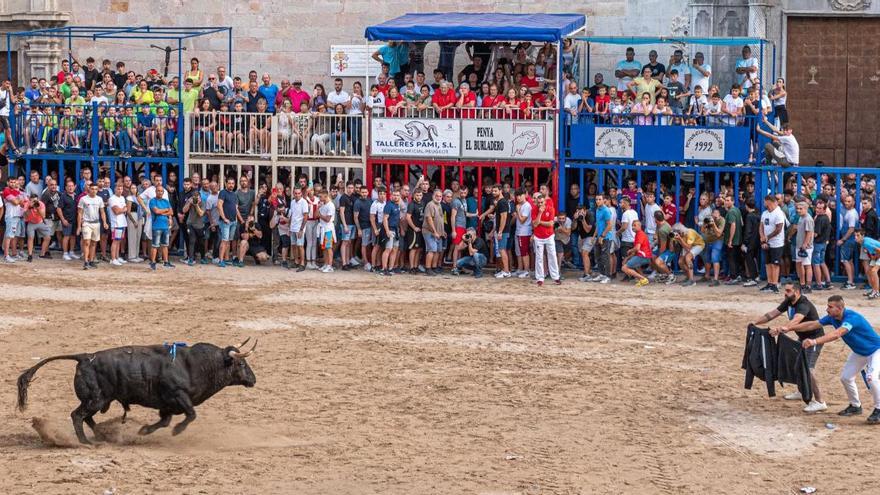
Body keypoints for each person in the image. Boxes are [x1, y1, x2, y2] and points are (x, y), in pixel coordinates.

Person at [781, 295, 880, 424]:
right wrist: (789, 328)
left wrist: (814, 341)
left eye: (830, 307)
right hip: (860, 352)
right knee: (846, 378)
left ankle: (879, 409)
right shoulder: (832, 317)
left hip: (876, 351)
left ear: (840, 308)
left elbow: (837, 334)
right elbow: (812, 324)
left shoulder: (852, 318)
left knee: (871, 378)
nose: (827, 309)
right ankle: (855, 406)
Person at [750, 282, 827, 412]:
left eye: (788, 291)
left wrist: (782, 329)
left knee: (808, 369)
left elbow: (797, 319)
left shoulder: (803, 304)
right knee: (798, 365)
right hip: (802, 339)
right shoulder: (789, 302)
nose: (785, 293)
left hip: (814, 339)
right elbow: (772, 314)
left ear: (796, 292)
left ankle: (820, 402)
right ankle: (802, 391)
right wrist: (755, 322)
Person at [531, 193, 561, 286]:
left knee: (552, 256)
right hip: (538, 236)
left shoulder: (551, 209)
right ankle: (540, 278)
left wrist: (539, 222)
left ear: (545, 202)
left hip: (549, 236)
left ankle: (556, 277)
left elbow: (551, 224)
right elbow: (535, 224)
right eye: (538, 202)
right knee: (539, 258)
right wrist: (540, 213)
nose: (540, 204)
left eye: (541, 202)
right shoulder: (534, 210)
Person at [77, 183, 107, 270]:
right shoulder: (83, 199)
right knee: (87, 242)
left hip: (96, 223)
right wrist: (79, 226)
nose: (94, 191)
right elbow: (80, 213)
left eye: (95, 189)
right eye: (92, 189)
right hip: (86, 223)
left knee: (94, 243)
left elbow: (102, 212)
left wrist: (104, 222)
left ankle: (91, 260)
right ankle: (86, 261)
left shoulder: (99, 199)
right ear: (89, 189)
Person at [760, 194, 786, 294]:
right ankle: (769, 283)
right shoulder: (765, 213)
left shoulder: (778, 213)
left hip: (777, 243)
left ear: (769, 201)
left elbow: (779, 228)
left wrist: (767, 237)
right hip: (767, 241)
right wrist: (762, 238)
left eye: (765, 201)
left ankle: (775, 284)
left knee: (775, 264)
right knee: (767, 263)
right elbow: (761, 226)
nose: (764, 203)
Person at [217, 177, 242, 268]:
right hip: (225, 222)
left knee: (228, 241)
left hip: (233, 221)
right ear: (226, 184)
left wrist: (240, 220)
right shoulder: (223, 193)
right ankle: (221, 260)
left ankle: (226, 259)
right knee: (224, 241)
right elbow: (219, 205)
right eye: (229, 183)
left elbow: (236, 208)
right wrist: (224, 218)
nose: (231, 185)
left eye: (232, 183)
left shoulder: (234, 195)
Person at [148, 184, 174, 271]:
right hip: (157, 226)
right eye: (158, 191)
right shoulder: (152, 201)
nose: (160, 192)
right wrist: (166, 210)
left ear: (163, 192)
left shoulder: (166, 201)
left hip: (165, 226)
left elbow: (171, 212)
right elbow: (156, 211)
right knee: (155, 245)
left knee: (165, 245)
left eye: (161, 191)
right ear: (155, 191)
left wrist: (162, 212)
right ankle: (152, 262)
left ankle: (166, 262)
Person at [837, 195, 859, 290]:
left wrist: (843, 240)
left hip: (848, 240)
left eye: (849, 201)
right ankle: (851, 281)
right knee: (849, 261)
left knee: (846, 261)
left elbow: (851, 229)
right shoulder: (851, 212)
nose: (846, 203)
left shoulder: (851, 214)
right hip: (850, 240)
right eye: (845, 201)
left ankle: (850, 282)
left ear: (853, 202)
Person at [672, 223, 704, 287]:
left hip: (698, 245)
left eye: (678, 232)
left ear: (681, 231)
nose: (676, 234)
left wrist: (680, 239)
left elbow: (688, 248)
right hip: (687, 245)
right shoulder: (679, 234)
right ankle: (688, 277)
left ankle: (691, 280)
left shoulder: (690, 232)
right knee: (680, 262)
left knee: (688, 257)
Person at [380, 189, 402, 276]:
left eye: (397, 195)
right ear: (391, 196)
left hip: (396, 230)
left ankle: (390, 268)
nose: (396, 197)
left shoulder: (397, 205)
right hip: (390, 229)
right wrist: (387, 231)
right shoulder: (389, 205)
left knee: (395, 249)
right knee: (388, 249)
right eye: (394, 195)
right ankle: (384, 269)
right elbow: (385, 218)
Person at [855, 230, 880, 299]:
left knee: (873, 271)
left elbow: (879, 250)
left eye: (858, 235)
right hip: (877, 255)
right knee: (869, 271)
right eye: (855, 235)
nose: (856, 237)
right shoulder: (863, 242)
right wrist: (873, 257)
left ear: (862, 236)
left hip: (878, 255)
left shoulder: (866, 243)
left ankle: (876, 292)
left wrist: (874, 258)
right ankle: (874, 290)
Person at [107, 183, 128, 266]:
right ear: (115, 189)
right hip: (116, 223)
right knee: (115, 241)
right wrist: (122, 209)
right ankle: (113, 259)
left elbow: (126, 208)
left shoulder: (122, 198)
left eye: (121, 189)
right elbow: (116, 211)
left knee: (119, 241)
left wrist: (122, 209)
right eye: (118, 189)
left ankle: (117, 257)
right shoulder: (112, 199)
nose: (120, 190)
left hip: (123, 222)